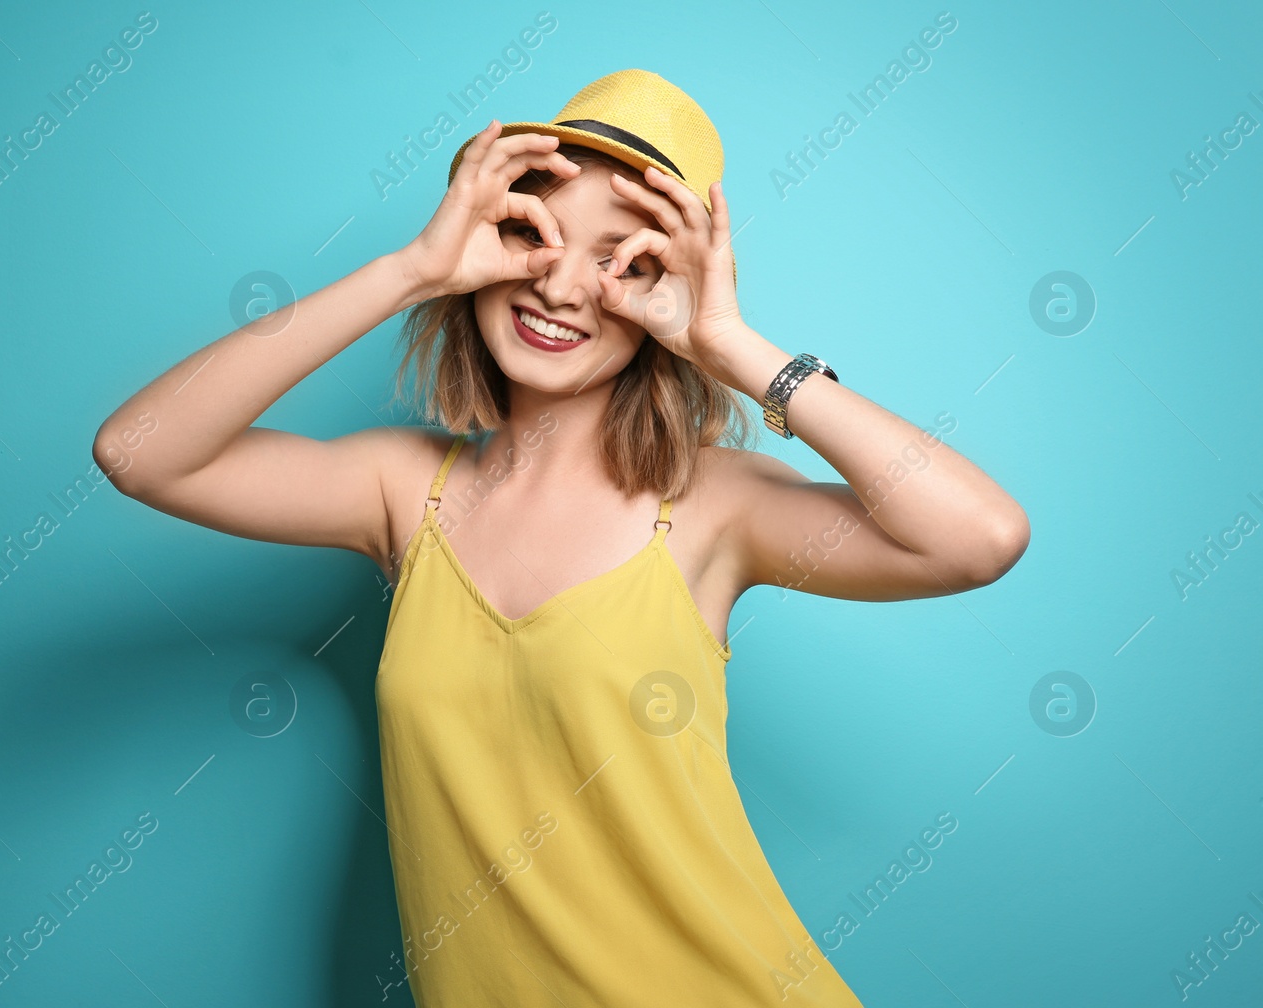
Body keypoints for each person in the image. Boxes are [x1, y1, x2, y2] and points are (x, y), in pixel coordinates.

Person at [94, 69, 1028, 1007]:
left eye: (626, 263)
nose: (562, 284)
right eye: (532, 233)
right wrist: (412, 268)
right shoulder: (403, 490)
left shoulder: (709, 505)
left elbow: (979, 537)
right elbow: (140, 452)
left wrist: (731, 344)